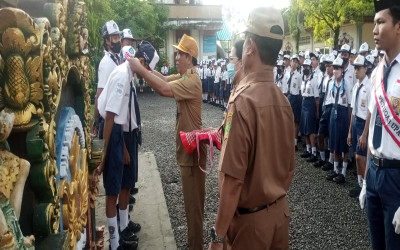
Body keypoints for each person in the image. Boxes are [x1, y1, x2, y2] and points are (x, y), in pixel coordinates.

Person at [208, 7, 295, 250]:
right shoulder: (284, 101)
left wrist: (218, 236)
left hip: (250, 227)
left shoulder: (242, 102)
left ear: (249, 47)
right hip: (279, 216)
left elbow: (233, 182)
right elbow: (289, 169)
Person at [128, 34, 207, 250]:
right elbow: (162, 80)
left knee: (194, 211)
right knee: (190, 209)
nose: (176, 57)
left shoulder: (192, 81)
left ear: (189, 57)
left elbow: (163, 90)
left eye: (180, 54)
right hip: (188, 153)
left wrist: (139, 69)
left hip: (193, 156)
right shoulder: (185, 77)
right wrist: (143, 67)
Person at [96, 44, 159, 250]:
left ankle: (122, 230)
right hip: (113, 132)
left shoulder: (129, 73)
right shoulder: (122, 76)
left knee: (126, 184)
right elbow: (111, 117)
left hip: (124, 133)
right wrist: (106, 153)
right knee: (113, 188)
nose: (147, 74)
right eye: (147, 69)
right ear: (141, 62)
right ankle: (115, 244)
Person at [358, 1, 400, 249]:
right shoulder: (376, 73)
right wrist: (365, 179)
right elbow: (374, 124)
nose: (374, 29)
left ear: (398, 27)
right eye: (374, 23)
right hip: (374, 171)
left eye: (381, 22)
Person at [347, 55, 371, 198]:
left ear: (365, 68)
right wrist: (350, 131)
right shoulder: (356, 86)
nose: (356, 71)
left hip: (364, 124)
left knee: (360, 158)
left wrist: (364, 133)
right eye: (355, 68)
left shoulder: (369, 86)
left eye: (359, 68)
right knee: (357, 156)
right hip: (356, 122)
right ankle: (360, 184)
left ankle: (365, 186)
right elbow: (353, 111)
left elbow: (369, 111)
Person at [325, 57, 353, 184]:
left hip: (343, 114)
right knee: (334, 143)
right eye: (334, 68)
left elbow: (349, 105)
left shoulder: (346, 83)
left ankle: (343, 172)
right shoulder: (331, 83)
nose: (335, 70)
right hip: (333, 112)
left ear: (342, 69)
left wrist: (348, 123)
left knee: (344, 146)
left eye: (338, 68)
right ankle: (336, 170)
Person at [93, 20, 121, 139]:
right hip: (109, 120)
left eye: (118, 37)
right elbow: (99, 94)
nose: (118, 40)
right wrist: (96, 120)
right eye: (114, 37)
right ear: (107, 40)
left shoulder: (115, 58)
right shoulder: (106, 63)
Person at [314, 54, 336, 169]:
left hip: (332, 107)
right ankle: (322, 158)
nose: (327, 68)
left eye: (329, 66)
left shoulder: (337, 79)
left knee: (332, 136)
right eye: (326, 66)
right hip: (325, 107)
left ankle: (331, 161)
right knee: (320, 134)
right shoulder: (325, 79)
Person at [299, 58, 319, 162]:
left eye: (307, 67)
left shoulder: (314, 80)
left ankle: (314, 152)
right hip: (304, 102)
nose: (305, 68)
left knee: (310, 129)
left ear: (310, 68)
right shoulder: (303, 79)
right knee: (304, 128)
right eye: (304, 67)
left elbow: (316, 98)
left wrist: (316, 112)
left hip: (311, 103)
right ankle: (307, 150)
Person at [283, 54, 302, 151]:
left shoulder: (299, 76)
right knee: (287, 119)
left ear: (298, 64)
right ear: (290, 62)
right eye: (292, 61)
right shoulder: (286, 74)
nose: (294, 63)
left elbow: (300, 90)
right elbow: (284, 87)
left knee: (295, 121)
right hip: (288, 96)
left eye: (296, 62)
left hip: (295, 98)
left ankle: (294, 142)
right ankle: (287, 140)